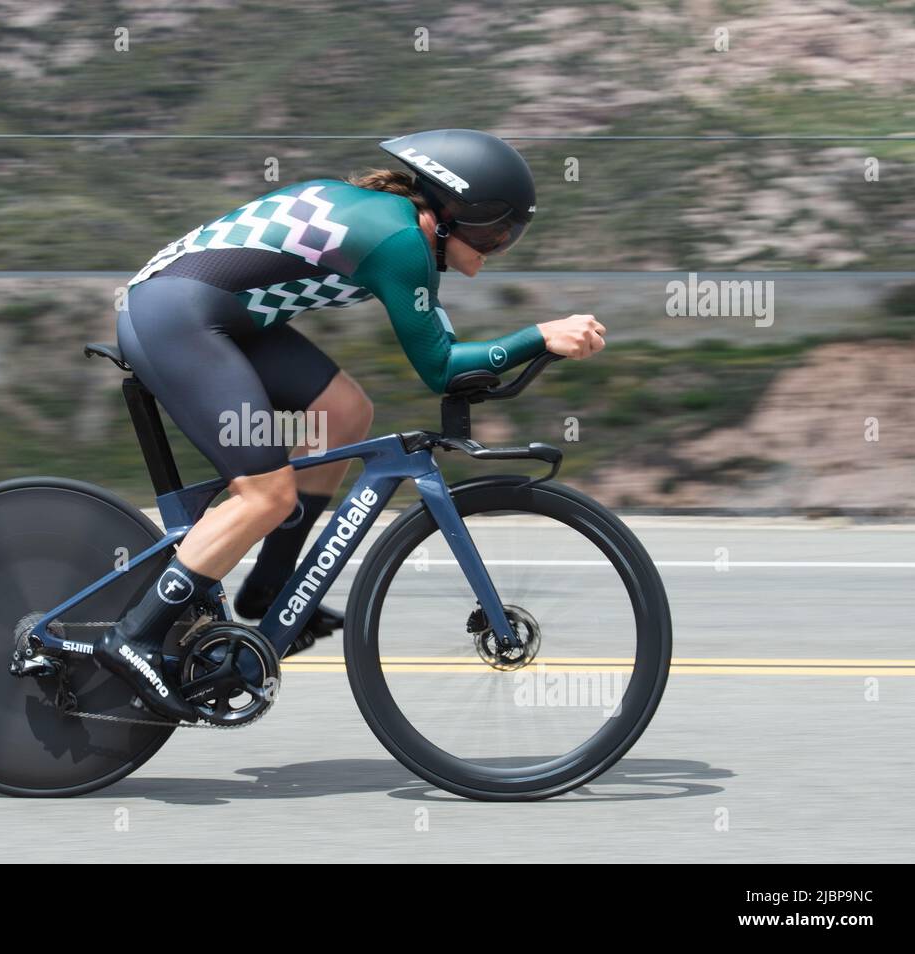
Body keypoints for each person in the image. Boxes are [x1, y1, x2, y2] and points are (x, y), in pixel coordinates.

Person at [96, 128, 606, 721]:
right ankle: (131, 636)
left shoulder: (391, 218)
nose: (488, 257)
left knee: (344, 412)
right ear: (453, 210)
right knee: (264, 495)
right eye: (494, 236)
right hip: (176, 318)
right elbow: (440, 367)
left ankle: (271, 582)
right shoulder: (400, 242)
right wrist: (538, 336)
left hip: (209, 312)